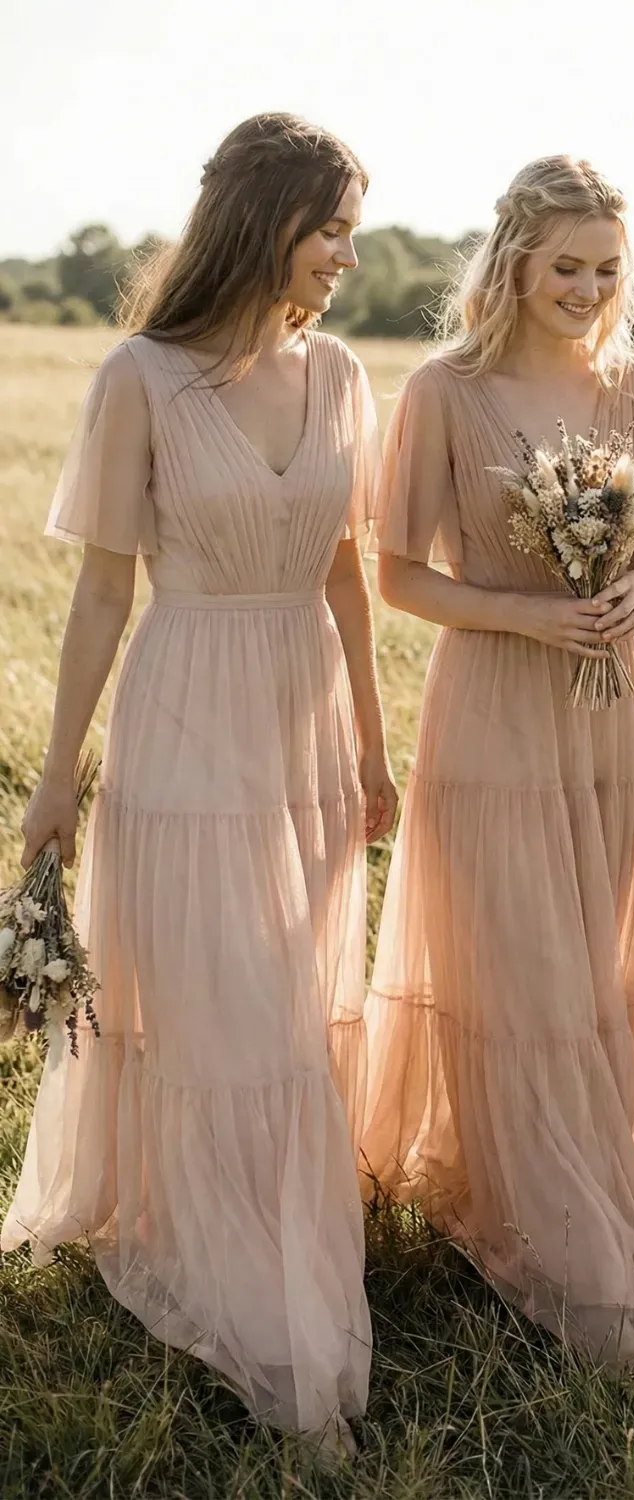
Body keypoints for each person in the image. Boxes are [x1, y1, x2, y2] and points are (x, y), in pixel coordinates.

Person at [2, 112, 396, 1457]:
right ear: (262, 219)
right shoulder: (142, 377)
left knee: (288, 1007)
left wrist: (374, 745)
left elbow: (348, 571)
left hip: (305, 721)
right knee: (233, 1018)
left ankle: (252, 1236)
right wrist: (57, 778)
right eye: (329, 225)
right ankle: (260, 1302)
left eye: (352, 227)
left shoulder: (344, 373)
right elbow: (104, 589)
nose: (346, 252)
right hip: (185, 719)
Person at [361, 156, 634, 1379]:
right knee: (524, 979)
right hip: (495, 711)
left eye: (608, 269)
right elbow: (396, 575)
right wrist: (528, 617)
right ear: (512, 261)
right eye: (566, 266)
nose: (588, 287)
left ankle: (568, 1191)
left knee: (600, 973)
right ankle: (570, 1263)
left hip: (612, 716)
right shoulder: (443, 392)